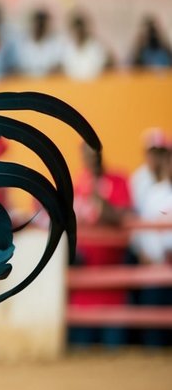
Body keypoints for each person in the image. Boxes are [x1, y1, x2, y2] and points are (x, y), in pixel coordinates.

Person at [69, 143, 133, 347]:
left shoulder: (118, 180)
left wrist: (98, 194)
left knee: (114, 353)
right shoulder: (79, 184)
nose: (90, 159)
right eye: (86, 155)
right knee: (81, 354)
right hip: (83, 289)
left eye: (93, 154)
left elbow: (121, 217)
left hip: (113, 288)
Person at [127, 131, 172, 347]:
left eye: (163, 153)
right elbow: (136, 221)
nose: (160, 159)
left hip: (160, 262)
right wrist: (143, 251)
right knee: (151, 320)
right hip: (150, 261)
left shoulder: (157, 189)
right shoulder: (141, 182)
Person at [61, 11, 109, 81]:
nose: (78, 32)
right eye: (75, 28)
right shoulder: (67, 49)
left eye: (80, 28)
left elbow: (100, 70)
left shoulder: (96, 47)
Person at [16, 9, 64, 78]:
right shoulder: (23, 45)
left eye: (42, 23)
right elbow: (19, 69)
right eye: (38, 23)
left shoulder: (55, 44)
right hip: (27, 84)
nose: (39, 27)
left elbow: (57, 66)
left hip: (48, 84)